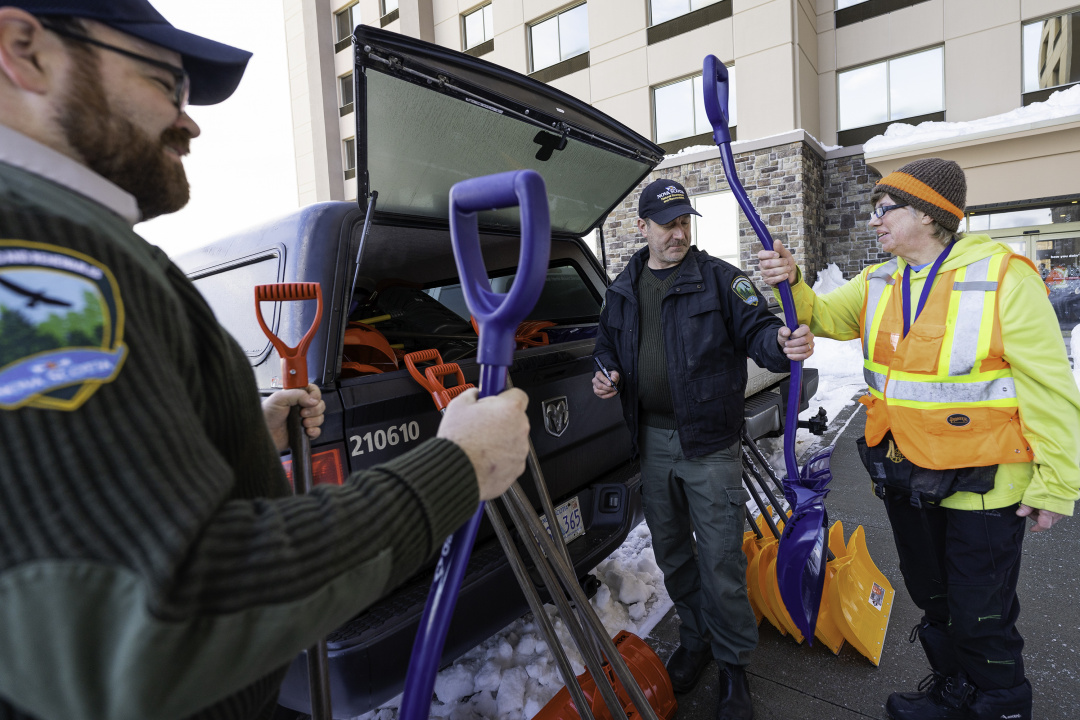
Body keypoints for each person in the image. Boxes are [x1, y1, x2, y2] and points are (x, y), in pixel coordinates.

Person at [0, 2, 531, 718]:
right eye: (167, 83)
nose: (190, 121)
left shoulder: (77, 238)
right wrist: (457, 467)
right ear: (22, 49)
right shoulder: (35, 254)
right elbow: (163, 610)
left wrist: (240, 432)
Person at [756, 158, 1080, 720]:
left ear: (929, 215)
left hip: (985, 484)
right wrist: (793, 280)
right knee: (933, 599)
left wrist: (1056, 484)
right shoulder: (880, 279)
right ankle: (955, 691)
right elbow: (827, 316)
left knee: (980, 610)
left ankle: (1001, 706)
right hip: (906, 475)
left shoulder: (1004, 276)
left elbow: (1051, 389)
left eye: (887, 209)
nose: (874, 220)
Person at [592, 178, 814, 720]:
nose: (678, 232)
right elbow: (606, 346)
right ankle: (696, 641)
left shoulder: (719, 279)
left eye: (684, 221)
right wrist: (604, 372)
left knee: (719, 560)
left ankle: (734, 665)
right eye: (667, 223)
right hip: (653, 440)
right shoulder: (623, 287)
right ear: (642, 227)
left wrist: (782, 344)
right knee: (673, 555)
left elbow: (759, 329)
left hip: (709, 443)